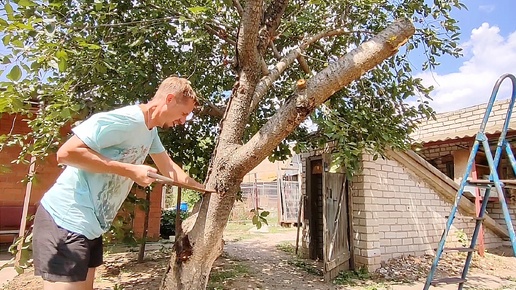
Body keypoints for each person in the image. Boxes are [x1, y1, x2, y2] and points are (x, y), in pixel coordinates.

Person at [32, 76, 209, 290]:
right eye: (183, 114)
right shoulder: (126, 120)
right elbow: (66, 153)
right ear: (169, 99)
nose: (183, 121)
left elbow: (169, 169)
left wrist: (205, 189)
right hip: (65, 219)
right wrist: (131, 170)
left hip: (91, 227)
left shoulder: (150, 131)